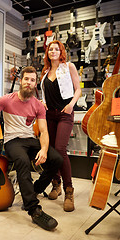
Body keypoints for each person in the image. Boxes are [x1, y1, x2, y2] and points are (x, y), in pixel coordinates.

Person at [0, 66, 63, 231]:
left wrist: (44, 150)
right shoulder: (6, 100)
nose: (29, 83)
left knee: (57, 159)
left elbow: (44, 131)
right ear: (20, 80)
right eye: (26, 79)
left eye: (32, 80)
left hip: (31, 140)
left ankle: (35, 190)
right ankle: (34, 209)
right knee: (22, 161)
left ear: (35, 83)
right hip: (13, 141)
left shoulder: (38, 105)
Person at [40, 40, 81, 212]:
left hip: (65, 113)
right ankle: (55, 184)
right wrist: (42, 101)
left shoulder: (68, 66)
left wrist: (72, 104)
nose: (53, 51)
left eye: (56, 49)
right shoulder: (45, 71)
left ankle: (68, 191)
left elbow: (78, 89)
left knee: (60, 148)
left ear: (61, 51)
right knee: (50, 149)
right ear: (47, 53)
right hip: (49, 115)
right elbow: (44, 94)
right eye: (50, 49)